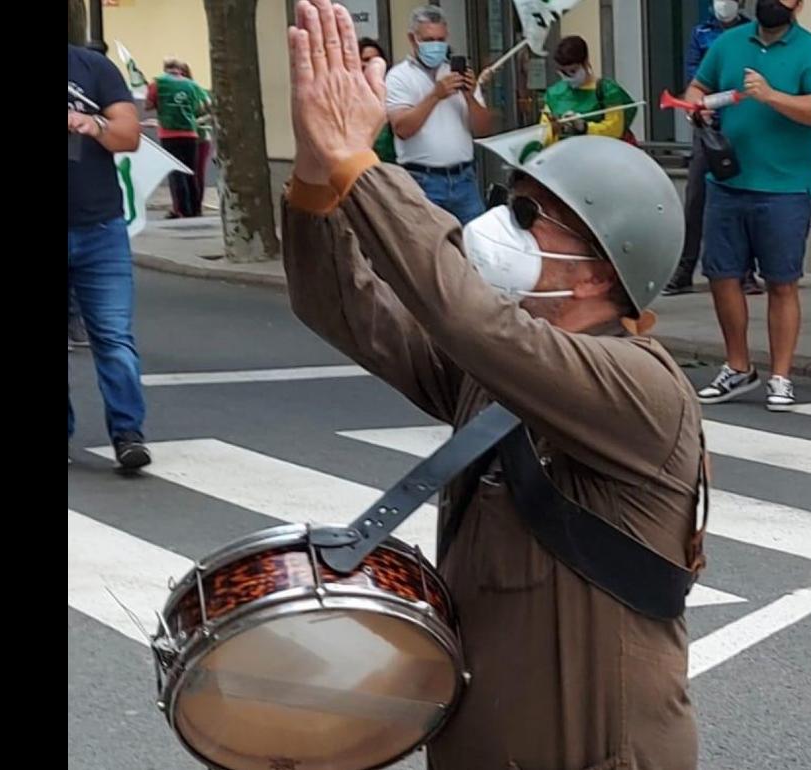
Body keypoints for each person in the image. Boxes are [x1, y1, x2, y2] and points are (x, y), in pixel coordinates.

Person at [282, 2, 702, 766]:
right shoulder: (502, 373)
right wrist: (317, 178)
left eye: (530, 215)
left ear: (601, 269)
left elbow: (468, 319)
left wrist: (360, 165)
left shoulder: (638, 386)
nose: (503, 223)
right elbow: (343, 307)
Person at [686, 0, 811, 411]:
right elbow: (698, 86)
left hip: (785, 188)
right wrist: (696, 107)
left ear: (799, 5)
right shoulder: (729, 43)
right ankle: (738, 366)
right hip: (727, 181)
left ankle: (780, 376)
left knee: (781, 281)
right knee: (722, 277)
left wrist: (772, 96)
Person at [68, 43, 151, 469]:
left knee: (114, 337)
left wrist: (91, 123)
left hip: (99, 226)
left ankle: (128, 434)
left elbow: (130, 136)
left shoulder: (92, 66)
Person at [663, 0, 763, 298]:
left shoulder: (751, 31)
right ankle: (685, 269)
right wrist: (700, 105)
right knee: (696, 198)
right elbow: (695, 75)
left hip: (740, 125)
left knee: (743, 197)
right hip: (707, 128)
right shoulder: (700, 33)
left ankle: (746, 271)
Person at [385, 5, 493, 225]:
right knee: (427, 250)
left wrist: (470, 96)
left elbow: (483, 128)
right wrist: (435, 96)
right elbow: (402, 129)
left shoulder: (457, 73)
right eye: (428, 39)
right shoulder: (399, 77)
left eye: (440, 39)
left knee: (477, 246)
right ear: (413, 39)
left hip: (464, 179)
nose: (435, 45)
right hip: (422, 180)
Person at [538, 35, 636, 145]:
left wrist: (584, 127)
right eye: (562, 72)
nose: (567, 77)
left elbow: (615, 129)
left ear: (585, 62)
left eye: (572, 71)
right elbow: (543, 134)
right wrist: (555, 129)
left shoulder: (607, 90)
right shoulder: (554, 94)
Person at [146, 58, 207, 218]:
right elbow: (200, 106)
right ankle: (195, 209)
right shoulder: (192, 85)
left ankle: (181, 209)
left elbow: (148, 105)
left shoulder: (157, 83)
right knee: (190, 171)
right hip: (190, 133)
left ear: (165, 68)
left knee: (175, 171)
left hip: (169, 133)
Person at [178, 62, 214, 214]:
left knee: (197, 172)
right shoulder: (172, 93)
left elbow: (212, 111)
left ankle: (196, 206)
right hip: (179, 136)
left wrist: (196, 122)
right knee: (180, 172)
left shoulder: (197, 90)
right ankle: (181, 207)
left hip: (200, 137)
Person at [358, 37, 398, 164]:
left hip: (391, 161)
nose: (372, 64)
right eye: (366, 60)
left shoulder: (392, 86)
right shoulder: (348, 92)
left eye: (376, 60)